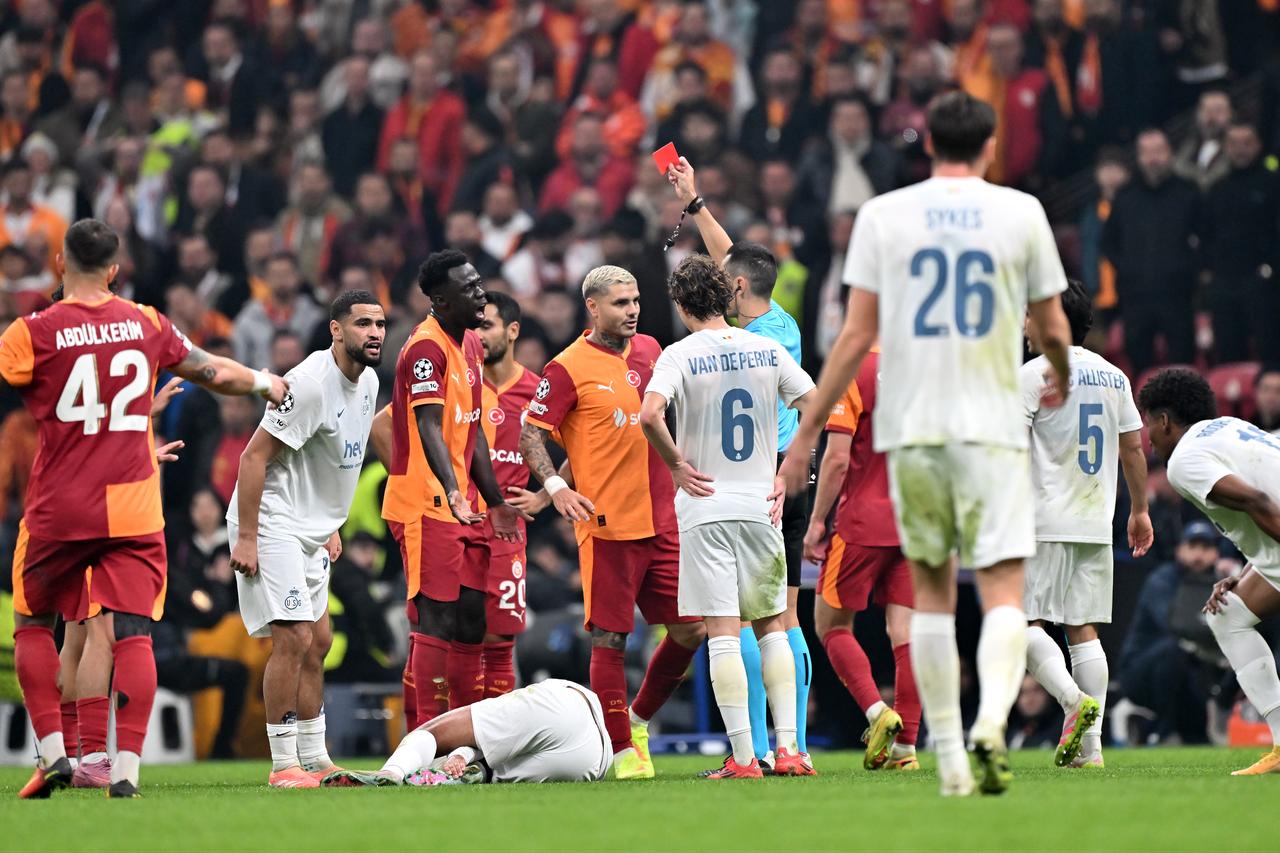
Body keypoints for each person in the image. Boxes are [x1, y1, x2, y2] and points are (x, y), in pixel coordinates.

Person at [778, 92, 1073, 797]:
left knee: (934, 597)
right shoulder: (1021, 211)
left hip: (916, 430)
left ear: (928, 142)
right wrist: (1057, 374)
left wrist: (806, 435)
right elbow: (1051, 321)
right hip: (992, 424)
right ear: (992, 145)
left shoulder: (885, 215)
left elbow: (852, 337)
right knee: (1002, 589)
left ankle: (944, 764)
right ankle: (991, 724)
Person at [3, 219, 288, 799]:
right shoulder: (146, 323)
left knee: (36, 623)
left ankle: (57, 752)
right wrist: (264, 381)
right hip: (133, 506)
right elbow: (212, 371)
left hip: (60, 505)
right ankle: (125, 769)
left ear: (59, 263)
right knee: (131, 634)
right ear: (114, 268)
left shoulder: (32, 332)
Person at [518, 264, 706, 780]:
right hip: (607, 527)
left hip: (664, 519)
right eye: (621, 303)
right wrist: (554, 489)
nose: (633, 310)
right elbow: (532, 434)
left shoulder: (652, 351)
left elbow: (601, 438)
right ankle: (620, 750)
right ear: (593, 308)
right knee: (609, 638)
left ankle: (638, 720)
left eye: (636, 300)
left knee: (693, 631)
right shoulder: (566, 366)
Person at [640, 255, 816, 779]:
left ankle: (743, 758)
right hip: (762, 503)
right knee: (773, 627)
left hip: (706, 505)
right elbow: (814, 402)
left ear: (681, 304)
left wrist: (675, 464)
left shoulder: (678, 354)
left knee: (721, 631)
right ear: (726, 295)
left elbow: (650, 413)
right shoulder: (766, 347)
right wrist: (789, 470)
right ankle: (789, 751)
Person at [227, 289, 385, 789]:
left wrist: (331, 524)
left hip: (311, 527)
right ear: (337, 330)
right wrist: (248, 539)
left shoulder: (370, 381)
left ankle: (316, 758)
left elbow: (332, 460)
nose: (375, 333)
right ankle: (282, 766)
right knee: (293, 636)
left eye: (380, 324)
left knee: (319, 641)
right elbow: (252, 458)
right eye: (363, 324)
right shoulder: (309, 384)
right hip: (273, 520)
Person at [377, 250, 521, 732]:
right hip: (426, 504)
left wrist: (495, 502)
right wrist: (453, 490)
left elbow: (473, 430)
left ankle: (465, 739)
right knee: (434, 623)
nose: (481, 293)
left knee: (470, 624)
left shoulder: (472, 347)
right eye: (469, 287)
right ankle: (424, 740)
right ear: (440, 299)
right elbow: (429, 425)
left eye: (480, 283)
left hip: (467, 507)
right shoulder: (425, 349)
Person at [1020, 279, 1152, 770]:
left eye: (1030, 314)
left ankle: (1073, 702)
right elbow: (1134, 447)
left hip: (1039, 519)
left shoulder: (1033, 375)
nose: (1024, 324)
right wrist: (1139, 509)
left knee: (1019, 624)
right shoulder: (1115, 375)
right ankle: (1091, 750)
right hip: (1096, 520)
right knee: (1082, 629)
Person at [1141, 368, 1280, 776]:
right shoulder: (1229, 427)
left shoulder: (1183, 461)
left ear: (1165, 421)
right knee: (1228, 613)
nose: (1148, 435)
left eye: (1150, 422)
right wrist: (1249, 569)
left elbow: (1257, 499)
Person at [804, 342, 921, 773]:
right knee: (905, 630)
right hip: (915, 519)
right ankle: (906, 748)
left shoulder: (852, 368)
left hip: (863, 522)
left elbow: (835, 459)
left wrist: (817, 523)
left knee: (830, 624)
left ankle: (877, 713)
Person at [323, 679, 610, 786]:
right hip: (596, 759)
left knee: (430, 733)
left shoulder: (509, 709)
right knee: (496, 771)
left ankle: (392, 774)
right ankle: (472, 770)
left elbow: (432, 735)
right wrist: (463, 754)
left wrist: (397, 768)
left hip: (558, 705)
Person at [475, 293, 540, 703]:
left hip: (508, 534)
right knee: (448, 637)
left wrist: (547, 495)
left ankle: (492, 746)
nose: (478, 335)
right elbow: (386, 427)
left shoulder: (538, 391)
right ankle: (442, 743)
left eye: (487, 326)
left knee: (499, 638)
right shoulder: (458, 383)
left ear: (512, 331)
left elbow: (584, 448)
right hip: (457, 522)